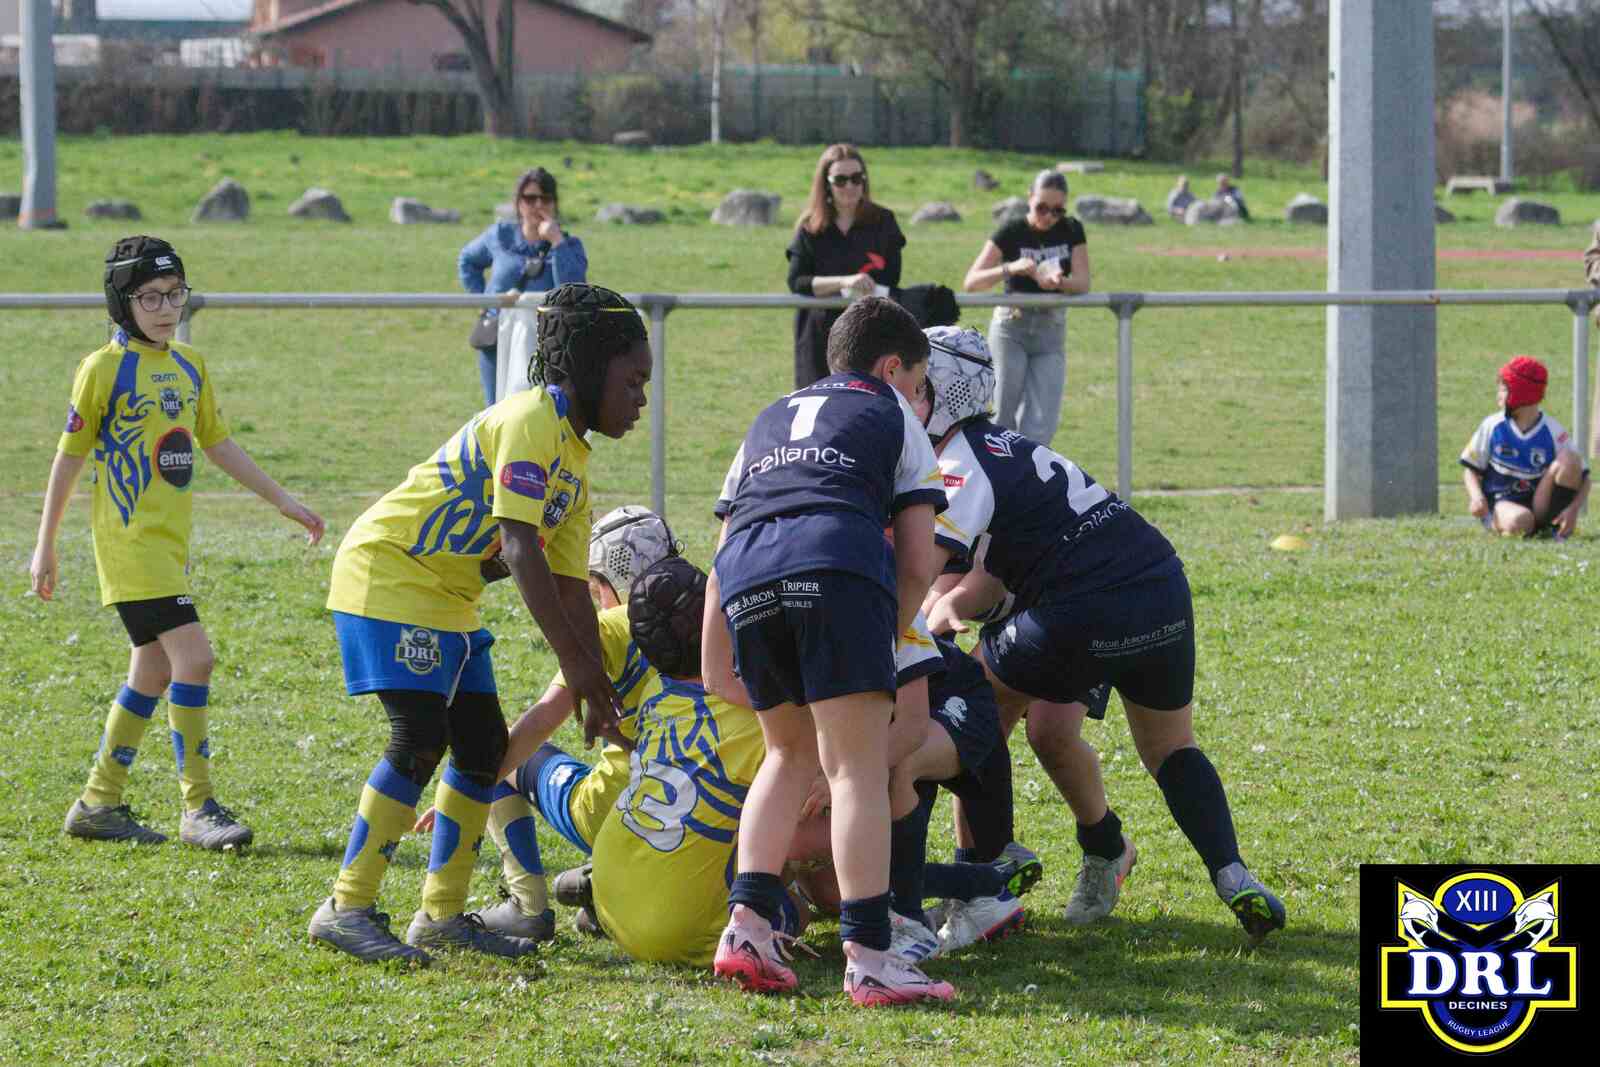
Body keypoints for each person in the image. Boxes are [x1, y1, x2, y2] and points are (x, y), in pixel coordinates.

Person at [307, 283, 650, 966]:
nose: (641, 398)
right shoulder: (529, 420)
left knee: (483, 745)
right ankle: (346, 907)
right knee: (419, 737)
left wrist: (596, 679)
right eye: (633, 380)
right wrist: (577, 667)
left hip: (447, 596)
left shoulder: (574, 464)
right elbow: (519, 546)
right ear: (589, 368)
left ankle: (440, 915)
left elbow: (571, 588)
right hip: (392, 571)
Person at [915, 326, 1286, 944]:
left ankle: (982, 883)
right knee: (1158, 745)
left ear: (941, 393)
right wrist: (947, 605)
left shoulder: (958, 463)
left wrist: (912, 623)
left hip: (1081, 607)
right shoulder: (1007, 447)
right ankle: (1227, 870)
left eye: (911, 386)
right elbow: (987, 574)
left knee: (971, 708)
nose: (900, 400)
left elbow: (928, 569)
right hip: (1158, 584)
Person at [32, 236, 324, 850]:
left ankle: (98, 802)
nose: (166, 308)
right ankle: (198, 807)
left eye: (175, 294)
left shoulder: (190, 365)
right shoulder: (103, 369)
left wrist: (284, 501)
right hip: (129, 544)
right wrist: (46, 544)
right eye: (150, 297)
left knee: (154, 668)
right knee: (195, 659)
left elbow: (217, 442)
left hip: (170, 548)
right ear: (122, 302)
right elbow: (69, 458)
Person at [703, 296, 952, 1006]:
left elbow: (725, 550)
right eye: (918, 383)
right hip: (835, 564)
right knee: (854, 769)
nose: (919, 399)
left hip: (749, 576)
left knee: (785, 753)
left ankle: (746, 928)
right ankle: (871, 956)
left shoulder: (769, 414)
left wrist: (717, 649)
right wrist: (886, 633)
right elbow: (918, 558)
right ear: (892, 368)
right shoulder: (894, 413)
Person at [461, 505, 684, 940]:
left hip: (622, 810)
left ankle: (527, 906)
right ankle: (610, 886)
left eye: (595, 586)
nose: (594, 598)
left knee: (500, 757)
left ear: (611, 579)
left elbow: (546, 716)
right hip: (710, 806)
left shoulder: (611, 627)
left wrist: (467, 791)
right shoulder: (712, 614)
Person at [962, 170, 1090, 446]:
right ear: (1029, 197)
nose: (1049, 216)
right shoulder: (1012, 230)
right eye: (1042, 207)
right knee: (1002, 414)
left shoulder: (1072, 229)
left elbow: (1083, 282)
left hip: (1050, 328)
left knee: (1043, 421)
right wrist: (1011, 268)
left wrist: (1060, 282)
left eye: (1058, 210)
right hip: (1012, 327)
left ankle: (1030, 471)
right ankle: (1000, 470)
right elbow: (971, 282)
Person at [459, 167, 589, 407]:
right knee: (497, 410)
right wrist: (483, 301)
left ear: (555, 204)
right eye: (530, 199)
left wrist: (556, 242)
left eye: (545, 199)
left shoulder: (570, 246)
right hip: (497, 338)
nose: (538, 205)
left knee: (541, 410)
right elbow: (467, 261)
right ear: (519, 203)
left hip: (547, 345)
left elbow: (573, 291)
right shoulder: (500, 236)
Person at [786, 144, 905, 389]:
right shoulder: (810, 226)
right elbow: (797, 281)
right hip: (818, 336)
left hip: (871, 334)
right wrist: (844, 282)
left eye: (856, 178)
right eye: (840, 180)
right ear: (826, 184)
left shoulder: (884, 221)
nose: (850, 186)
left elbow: (892, 278)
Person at [1461, 356, 1589, 539]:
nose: (1498, 395)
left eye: (1503, 389)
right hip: (1502, 502)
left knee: (1570, 459)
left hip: (1539, 503)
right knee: (1520, 520)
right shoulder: (1492, 426)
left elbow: (1585, 478)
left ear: (1521, 393)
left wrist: (1573, 509)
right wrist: (1476, 497)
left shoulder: (1553, 430)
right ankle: (1499, 523)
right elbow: (1470, 470)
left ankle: (1553, 527)